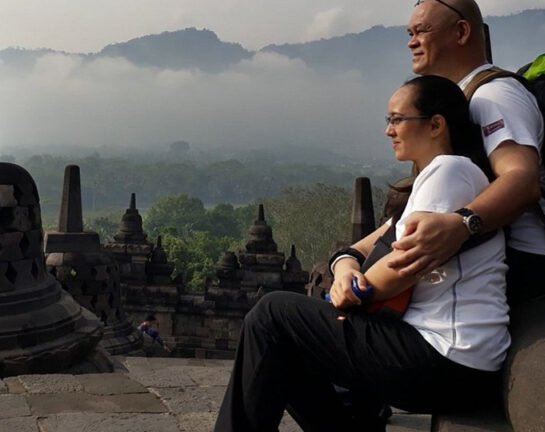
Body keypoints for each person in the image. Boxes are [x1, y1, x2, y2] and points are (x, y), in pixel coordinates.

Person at [214, 75, 509, 432]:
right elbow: (358, 247)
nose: (389, 130)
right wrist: (344, 270)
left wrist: (353, 289)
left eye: (397, 119)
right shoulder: (432, 181)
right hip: (446, 358)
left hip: (448, 357)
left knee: (271, 315)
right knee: (289, 346)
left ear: (435, 125)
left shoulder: (452, 170)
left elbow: (400, 268)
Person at [390, 0, 545, 302]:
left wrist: (460, 224)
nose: (412, 42)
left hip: (528, 259)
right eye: (410, 34)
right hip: (495, 248)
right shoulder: (463, 96)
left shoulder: (494, 96)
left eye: (422, 31)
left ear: (461, 32)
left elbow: (522, 179)